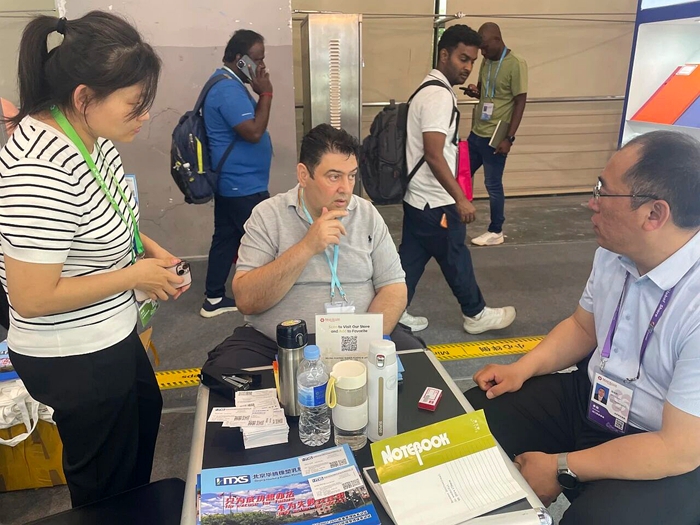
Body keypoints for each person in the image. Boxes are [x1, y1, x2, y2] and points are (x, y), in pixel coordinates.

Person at [0, 12, 189, 507]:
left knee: (142, 424)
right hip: (72, 352)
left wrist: (148, 250)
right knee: (107, 481)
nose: (145, 116)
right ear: (84, 97)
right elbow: (31, 296)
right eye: (134, 104)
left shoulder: (92, 137)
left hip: (110, 328)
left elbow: (99, 213)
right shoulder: (38, 169)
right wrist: (133, 275)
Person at [466, 131, 700, 524]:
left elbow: (678, 449)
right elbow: (582, 327)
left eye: (603, 192)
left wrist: (560, 466)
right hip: (593, 397)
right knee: (467, 422)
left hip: (662, 443)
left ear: (654, 214)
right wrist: (521, 368)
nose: (591, 203)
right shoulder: (614, 254)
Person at [207, 124, 421, 370]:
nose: (346, 188)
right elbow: (246, 300)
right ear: (303, 175)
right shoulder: (268, 215)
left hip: (359, 338)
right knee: (224, 372)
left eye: (351, 176)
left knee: (418, 364)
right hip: (277, 342)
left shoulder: (366, 214)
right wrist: (307, 247)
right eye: (334, 176)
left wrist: (366, 342)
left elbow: (393, 286)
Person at [397, 24, 516, 334]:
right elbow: (434, 154)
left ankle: (391, 309)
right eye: (463, 59)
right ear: (444, 55)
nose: (468, 67)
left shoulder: (426, 88)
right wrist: (460, 198)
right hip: (436, 200)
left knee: (410, 258)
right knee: (454, 254)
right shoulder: (438, 96)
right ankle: (475, 313)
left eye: (472, 61)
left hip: (418, 198)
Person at [200, 29, 273, 318]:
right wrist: (266, 93)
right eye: (258, 59)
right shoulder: (227, 89)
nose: (262, 66)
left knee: (227, 237)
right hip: (241, 185)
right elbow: (253, 132)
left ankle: (214, 298)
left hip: (235, 182)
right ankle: (268, 296)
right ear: (240, 59)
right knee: (267, 238)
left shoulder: (228, 84)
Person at [463, 22, 528, 246]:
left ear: (497, 40)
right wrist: (475, 92)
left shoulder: (516, 63)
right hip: (477, 131)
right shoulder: (487, 61)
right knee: (461, 174)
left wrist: (509, 138)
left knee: (492, 184)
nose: (482, 52)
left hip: (496, 136)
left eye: (485, 47)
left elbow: (520, 101)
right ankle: (454, 218)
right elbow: (485, 92)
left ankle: (496, 230)